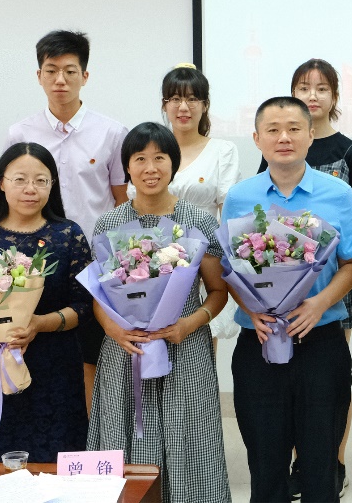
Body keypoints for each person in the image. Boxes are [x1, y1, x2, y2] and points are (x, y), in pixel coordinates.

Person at [225, 96, 352, 503]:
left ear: (311, 134)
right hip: (260, 343)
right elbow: (229, 269)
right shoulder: (239, 196)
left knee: (320, 468)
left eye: (294, 129)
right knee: (265, 467)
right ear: (257, 139)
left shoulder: (338, 193)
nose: (284, 137)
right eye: (273, 130)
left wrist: (319, 304)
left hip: (321, 342)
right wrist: (250, 308)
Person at [87, 123, 230, 503]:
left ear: (173, 164)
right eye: (140, 159)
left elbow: (218, 292)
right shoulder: (109, 223)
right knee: (124, 439)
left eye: (160, 158)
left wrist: (190, 323)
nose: (150, 168)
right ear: (127, 167)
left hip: (184, 347)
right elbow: (98, 296)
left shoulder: (198, 221)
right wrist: (114, 331)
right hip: (126, 351)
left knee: (191, 442)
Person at [257, 59, 352, 498]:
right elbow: (263, 219)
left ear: (334, 97)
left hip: (333, 277)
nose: (313, 95)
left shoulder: (351, 151)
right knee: (288, 377)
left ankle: (330, 461)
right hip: (281, 278)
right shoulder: (277, 147)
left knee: (329, 378)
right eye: (304, 87)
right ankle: (292, 462)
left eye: (322, 88)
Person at [4, 29, 128, 401]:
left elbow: (121, 202)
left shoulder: (111, 132)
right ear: (39, 75)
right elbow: (12, 200)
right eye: (51, 70)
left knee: (93, 360)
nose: (60, 79)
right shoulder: (20, 133)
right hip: (35, 265)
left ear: (84, 76)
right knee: (40, 357)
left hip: (95, 265)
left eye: (70, 71)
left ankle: (91, 434)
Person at [0, 143, 90, 462]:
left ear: (52, 185)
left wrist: (38, 324)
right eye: (20, 179)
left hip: (55, 367)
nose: (30, 189)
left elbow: (83, 306)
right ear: (1, 182)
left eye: (41, 180)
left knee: (57, 458)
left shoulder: (69, 235)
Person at [140, 64, 241, 350]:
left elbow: (227, 216)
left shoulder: (222, 151)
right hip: (151, 264)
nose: (183, 107)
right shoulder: (149, 151)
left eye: (192, 99)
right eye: (175, 99)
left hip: (204, 263)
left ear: (205, 105)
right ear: (164, 105)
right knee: (150, 342)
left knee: (200, 346)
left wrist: (216, 267)